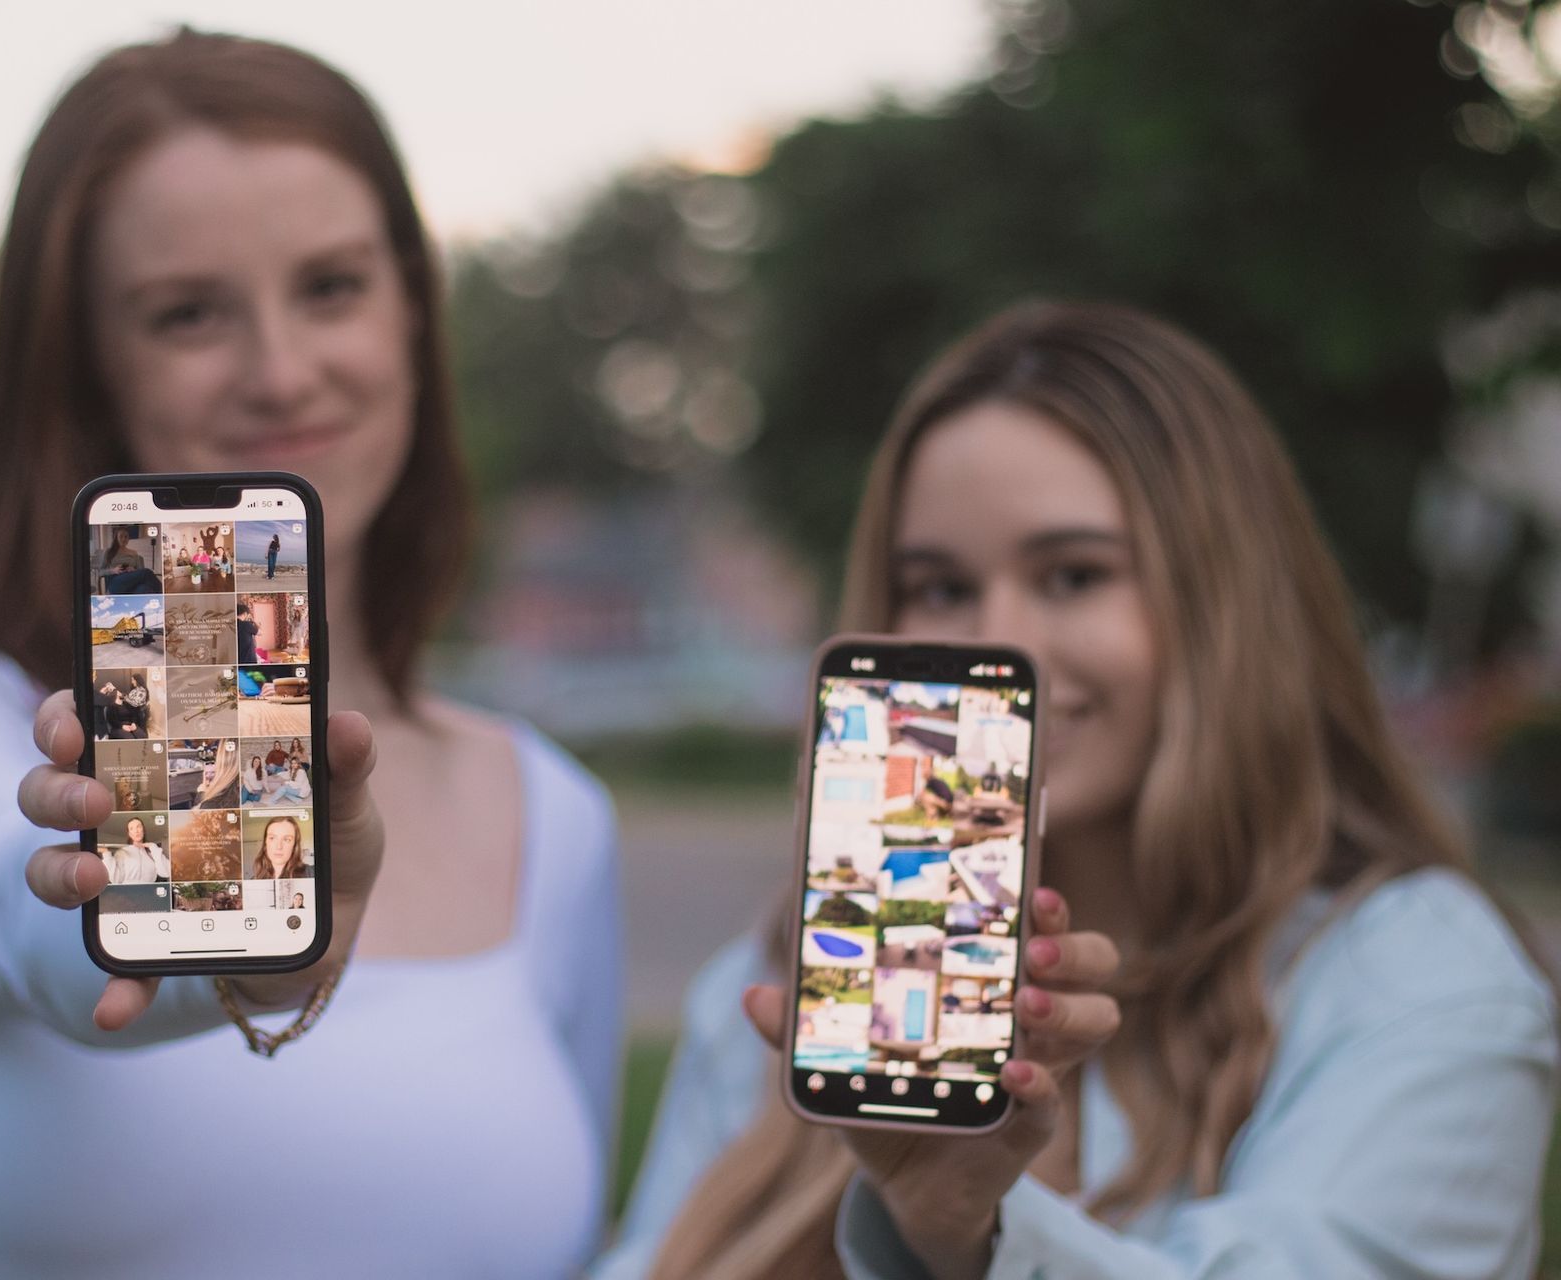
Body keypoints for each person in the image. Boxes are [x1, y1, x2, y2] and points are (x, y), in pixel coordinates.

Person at [0, 30, 621, 1278]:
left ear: (412, 308)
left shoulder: (557, 812)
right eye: (189, 313)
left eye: (332, 286)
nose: (282, 370)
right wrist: (227, 940)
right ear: (83, 368)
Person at [600, 302, 1557, 1279]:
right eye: (938, 585)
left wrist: (976, 1230)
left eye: (1073, 575)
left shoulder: (1417, 975)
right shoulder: (788, 988)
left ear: (1224, 603)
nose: (1000, 637)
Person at [102, 817, 169, 885]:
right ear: (129, 833)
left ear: (143, 830)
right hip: (128, 892)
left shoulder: (151, 854)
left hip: (149, 892)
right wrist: (106, 854)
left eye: (138, 827)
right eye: (131, 828)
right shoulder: (122, 852)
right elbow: (115, 879)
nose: (136, 831)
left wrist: (153, 847)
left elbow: (166, 872)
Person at [251, 814, 309, 880]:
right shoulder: (254, 881)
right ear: (265, 843)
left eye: (287, 839)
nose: (279, 846)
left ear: (294, 845)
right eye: (272, 838)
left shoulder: (310, 873)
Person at [236, 600, 260, 665]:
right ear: (245, 614)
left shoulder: (231, 625)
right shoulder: (246, 624)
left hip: (238, 659)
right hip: (249, 659)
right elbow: (259, 633)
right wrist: (253, 621)